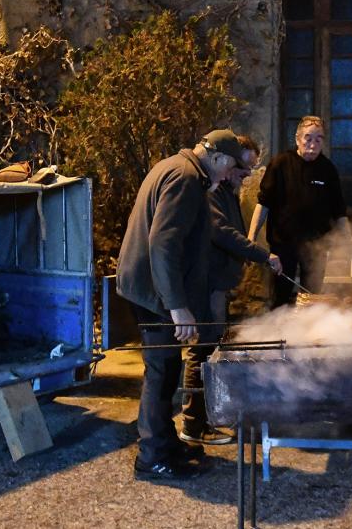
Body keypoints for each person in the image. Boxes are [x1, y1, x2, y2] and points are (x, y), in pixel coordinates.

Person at [116, 129, 247, 480]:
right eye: (229, 168)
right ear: (217, 157)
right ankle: (152, 458)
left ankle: (165, 440)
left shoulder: (177, 167)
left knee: (168, 368)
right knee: (161, 374)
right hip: (154, 294)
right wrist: (177, 306)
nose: (227, 177)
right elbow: (163, 244)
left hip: (150, 288)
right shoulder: (187, 178)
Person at [180, 135, 281, 446]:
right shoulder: (211, 190)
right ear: (225, 161)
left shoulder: (226, 189)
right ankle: (194, 424)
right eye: (242, 166)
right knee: (204, 349)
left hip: (217, 282)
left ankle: (203, 418)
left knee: (209, 347)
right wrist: (262, 254)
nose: (246, 174)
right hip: (207, 282)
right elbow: (221, 232)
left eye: (250, 167)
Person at [248, 115, 351, 307]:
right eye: (308, 138)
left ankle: (309, 336)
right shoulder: (280, 163)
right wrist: (251, 238)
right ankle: (279, 334)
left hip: (316, 247)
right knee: (281, 298)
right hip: (283, 246)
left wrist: (347, 242)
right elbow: (263, 203)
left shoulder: (328, 169)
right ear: (298, 139)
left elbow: (340, 211)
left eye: (319, 138)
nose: (313, 144)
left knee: (313, 299)